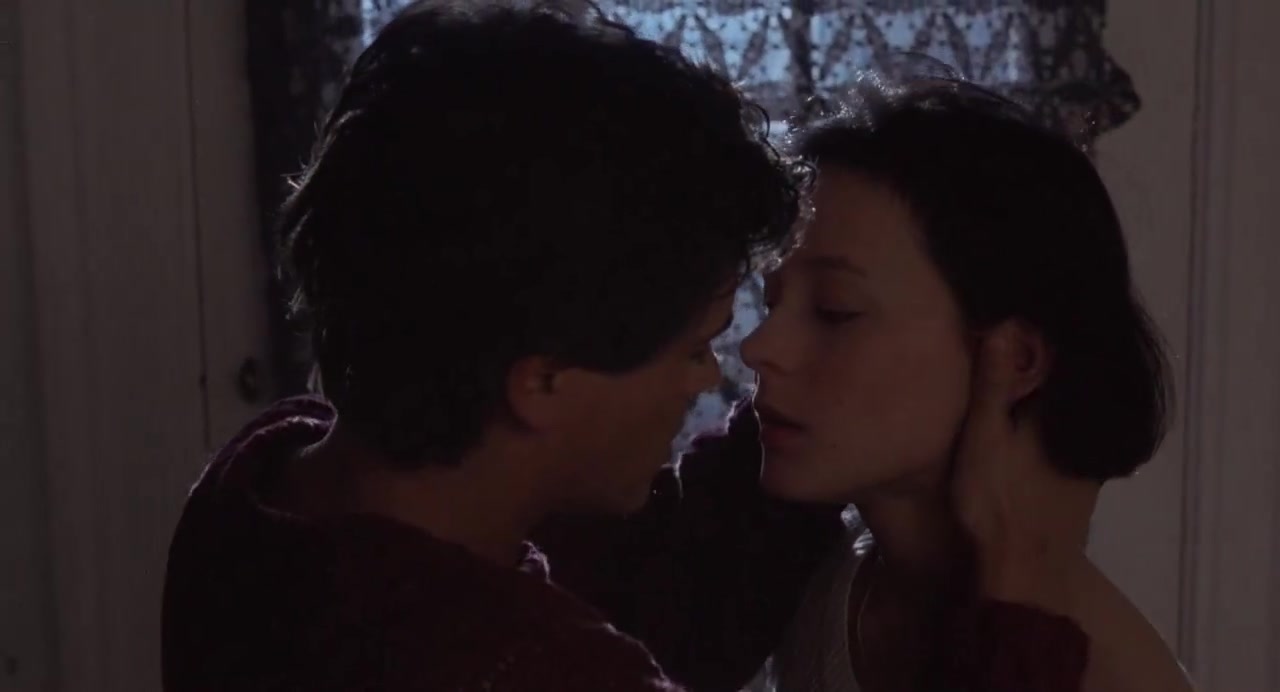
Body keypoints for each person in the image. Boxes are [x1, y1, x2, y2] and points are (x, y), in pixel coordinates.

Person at [160, 3, 802, 690]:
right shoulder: (547, 670)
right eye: (696, 349)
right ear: (543, 382)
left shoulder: (261, 482)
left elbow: (651, 581)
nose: (707, 378)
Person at [540, 77, 1195, 692]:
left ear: (1016, 359)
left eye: (835, 312)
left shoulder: (1103, 670)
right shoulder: (813, 561)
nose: (758, 347)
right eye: (773, 303)